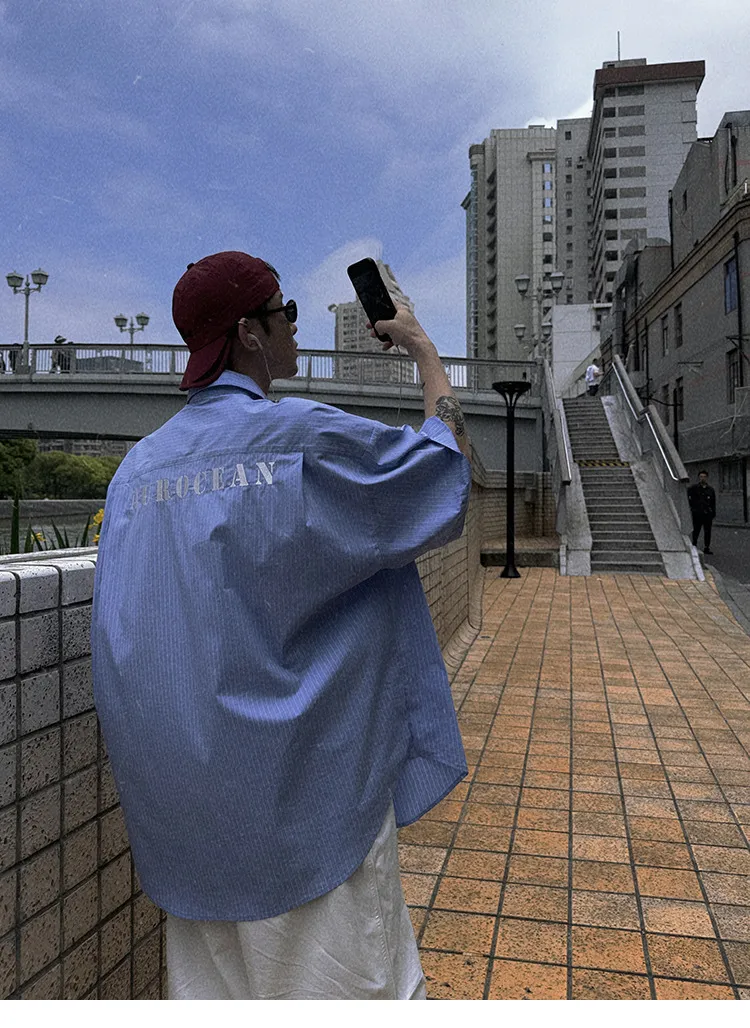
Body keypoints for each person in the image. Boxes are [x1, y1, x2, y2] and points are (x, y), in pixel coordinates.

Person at [90, 250, 472, 1001]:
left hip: (183, 820)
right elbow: (440, 477)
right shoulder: (300, 439)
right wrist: (423, 351)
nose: (295, 326)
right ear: (249, 334)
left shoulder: (136, 471)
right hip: (304, 803)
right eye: (284, 312)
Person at [687, 469, 716, 555]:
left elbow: (713, 502)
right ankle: (694, 545)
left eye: (704, 477)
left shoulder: (710, 490)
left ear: (707, 478)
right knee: (696, 530)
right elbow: (687, 495)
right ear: (699, 478)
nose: (702, 478)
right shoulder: (694, 488)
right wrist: (692, 506)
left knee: (707, 531)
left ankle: (707, 547)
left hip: (707, 513)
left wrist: (713, 512)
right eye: (701, 477)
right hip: (697, 513)